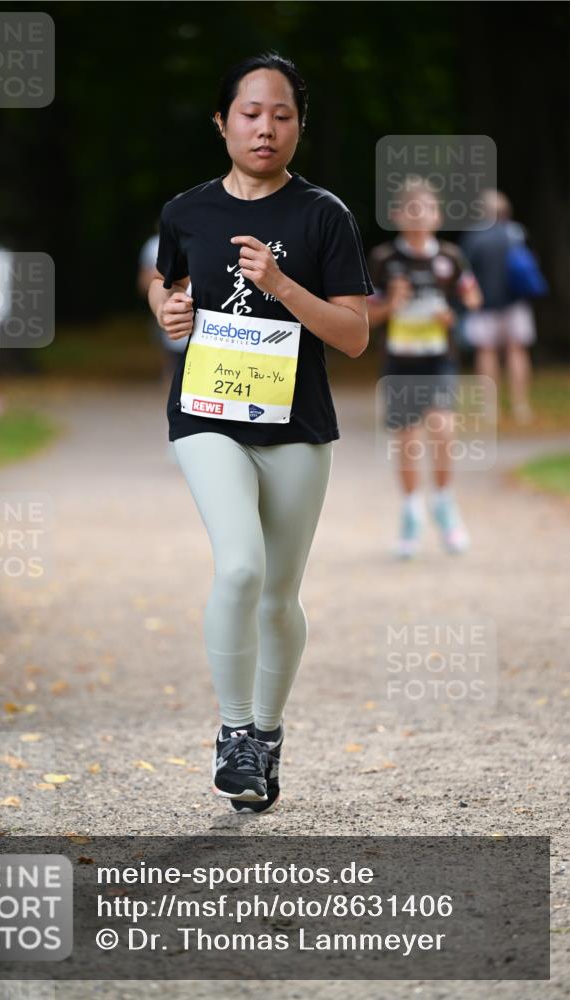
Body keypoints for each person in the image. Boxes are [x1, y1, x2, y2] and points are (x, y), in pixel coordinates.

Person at [147, 52, 372, 813]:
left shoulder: (322, 215)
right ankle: (233, 730)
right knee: (239, 567)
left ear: (298, 125)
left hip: (297, 426)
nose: (265, 128)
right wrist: (164, 307)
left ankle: (266, 737)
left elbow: (352, 336)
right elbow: (168, 282)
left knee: (278, 596)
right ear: (221, 122)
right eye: (249, 113)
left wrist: (280, 285)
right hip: (207, 415)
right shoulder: (185, 211)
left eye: (281, 114)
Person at [367, 177, 483, 559]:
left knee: (443, 427)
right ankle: (411, 512)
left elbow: (473, 298)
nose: (418, 218)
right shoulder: (385, 260)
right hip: (400, 361)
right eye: (410, 210)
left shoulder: (450, 257)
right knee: (408, 439)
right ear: (397, 215)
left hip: (439, 359)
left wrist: (455, 313)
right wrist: (390, 305)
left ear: (437, 215)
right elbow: (366, 314)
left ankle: (445, 504)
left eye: (426, 210)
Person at [459, 190, 541, 425]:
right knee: (517, 351)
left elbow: (465, 272)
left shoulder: (473, 237)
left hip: (483, 305)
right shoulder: (516, 232)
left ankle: (488, 408)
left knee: (486, 352)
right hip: (516, 303)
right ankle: (520, 405)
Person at [138, 222, 190, 380]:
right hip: (168, 300)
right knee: (168, 343)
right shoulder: (153, 245)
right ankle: (169, 375)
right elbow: (145, 277)